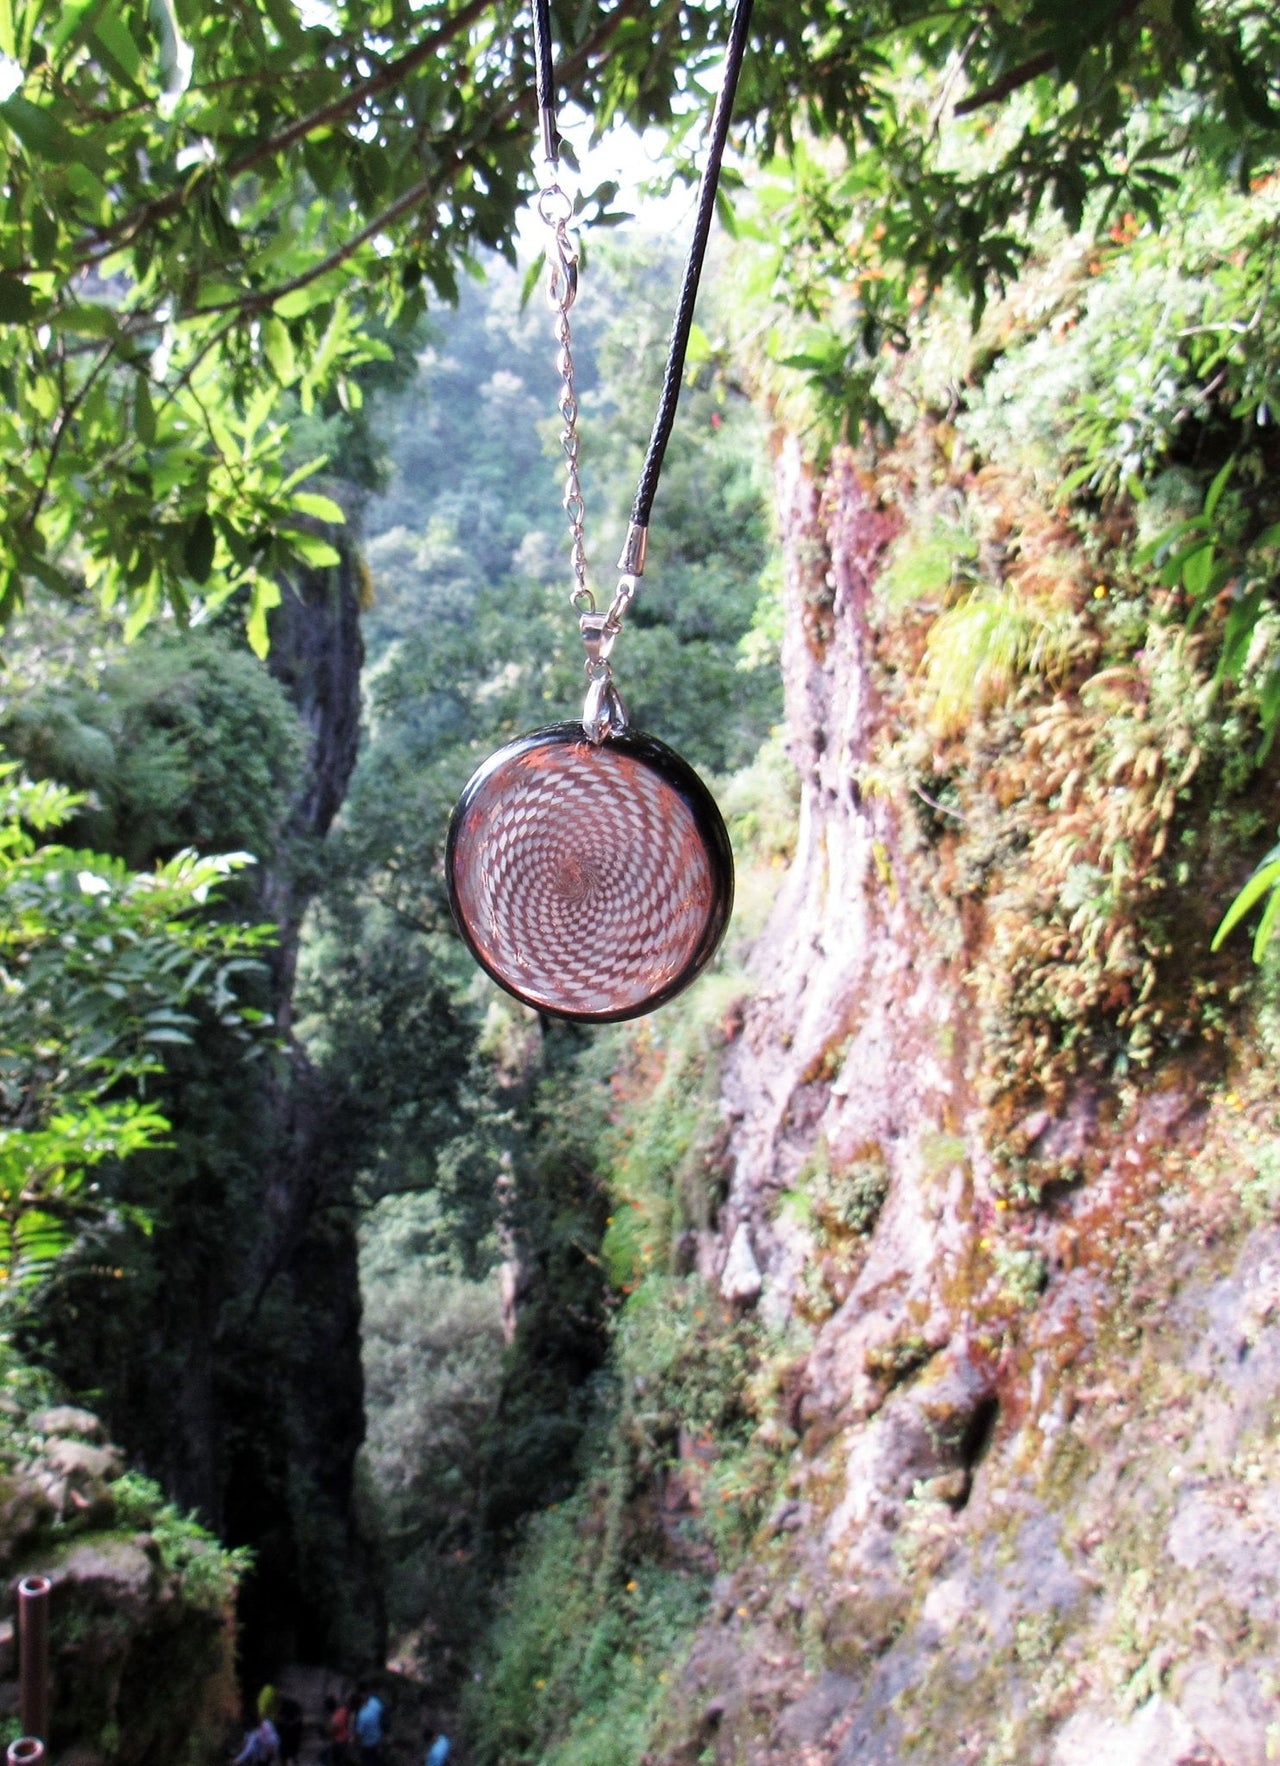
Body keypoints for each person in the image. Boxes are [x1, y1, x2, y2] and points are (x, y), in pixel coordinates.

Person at [353, 1684, 386, 1766]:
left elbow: (359, 1735)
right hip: (377, 1739)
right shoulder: (375, 1702)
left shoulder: (362, 1716)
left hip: (367, 1744)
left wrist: (354, 1744)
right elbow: (383, 1715)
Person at [324, 1693, 353, 1766]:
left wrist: (327, 1729)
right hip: (345, 1739)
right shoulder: (342, 1710)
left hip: (338, 1742)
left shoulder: (334, 1719)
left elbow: (331, 1732)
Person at [277, 1695, 303, 1764]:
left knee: (291, 1755)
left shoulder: (287, 1707)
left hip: (290, 1736)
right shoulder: (287, 1708)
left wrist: (289, 1724)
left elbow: (298, 1718)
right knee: (288, 1755)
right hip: (287, 1736)